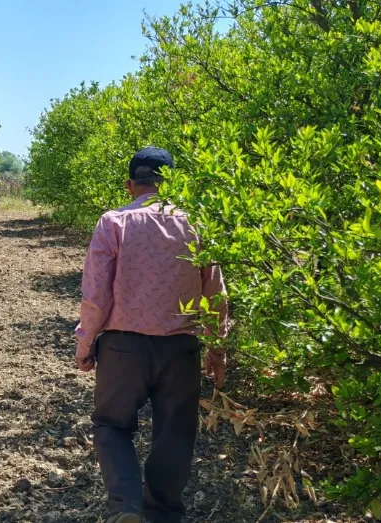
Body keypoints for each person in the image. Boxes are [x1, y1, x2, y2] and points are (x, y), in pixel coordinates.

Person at [74, 146, 229, 523]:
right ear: (172, 183)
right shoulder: (196, 224)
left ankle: (126, 507)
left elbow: (96, 295)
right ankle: (162, 516)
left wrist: (85, 344)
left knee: (111, 424)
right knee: (175, 433)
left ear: (130, 185)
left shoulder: (113, 223)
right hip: (181, 349)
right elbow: (215, 294)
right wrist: (217, 350)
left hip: (123, 347)